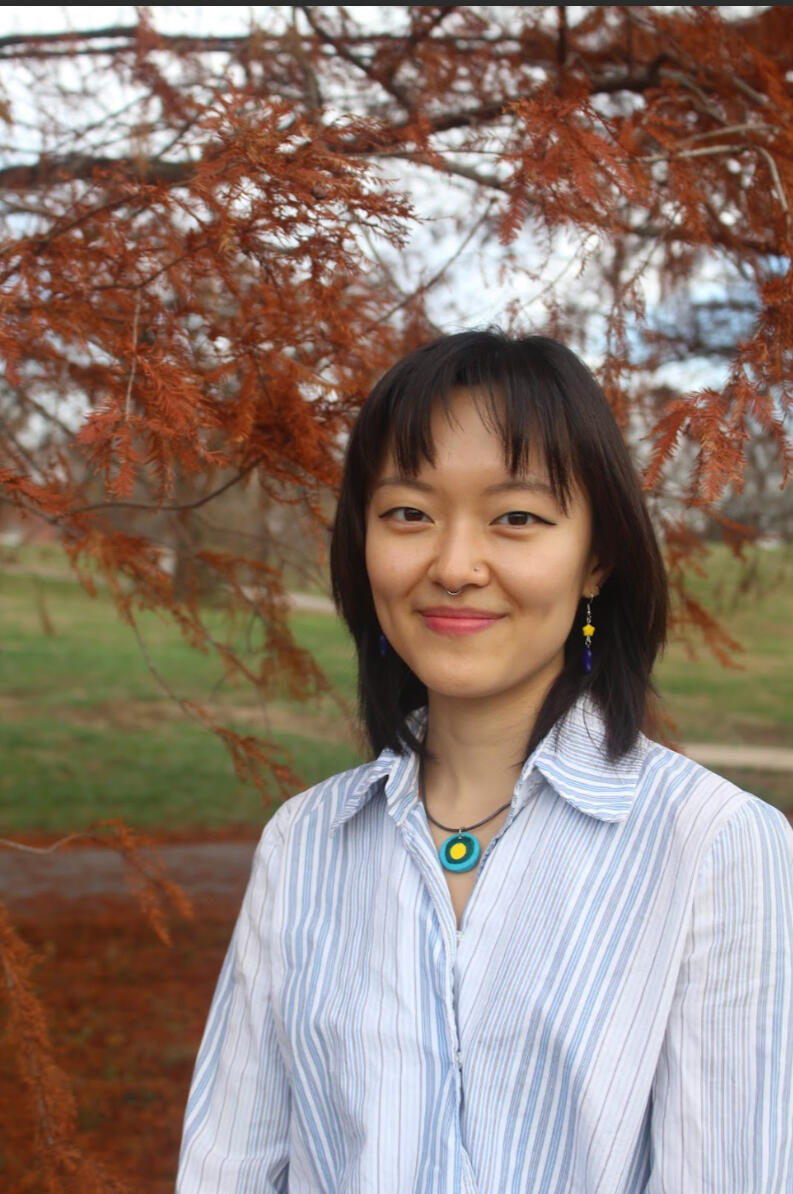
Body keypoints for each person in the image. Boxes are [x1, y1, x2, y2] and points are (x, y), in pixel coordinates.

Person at [176, 330, 793, 1193]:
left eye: (517, 518)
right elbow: (227, 1170)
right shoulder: (306, 842)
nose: (454, 565)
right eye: (407, 514)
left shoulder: (715, 848)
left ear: (597, 560)